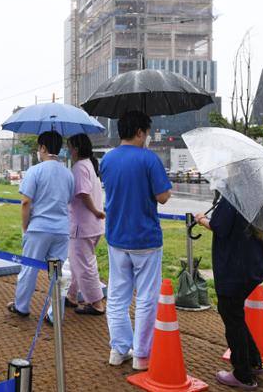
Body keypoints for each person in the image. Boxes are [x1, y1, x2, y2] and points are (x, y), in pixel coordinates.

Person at [100, 111, 172, 371]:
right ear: (140, 132)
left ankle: (118, 350)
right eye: (147, 132)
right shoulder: (149, 159)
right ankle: (142, 355)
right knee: (146, 298)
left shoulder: (107, 160)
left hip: (117, 237)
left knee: (117, 296)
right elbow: (163, 196)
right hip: (146, 239)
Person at [195, 197, 263, 390]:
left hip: (232, 270)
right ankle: (254, 362)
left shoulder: (232, 198)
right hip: (253, 268)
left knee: (231, 315)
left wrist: (201, 219)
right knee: (235, 314)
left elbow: (219, 227)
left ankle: (243, 375)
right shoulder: (259, 201)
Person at [7, 131, 74, 316]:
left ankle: (22, 307)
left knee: (29, 269)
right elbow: (68, 199)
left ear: (43, 148)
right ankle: (55, 314)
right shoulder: (68, 174)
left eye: (39, 148)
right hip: (61, 231)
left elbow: (26, 202)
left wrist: (25, 226)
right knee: (56, 274)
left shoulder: (35, 171)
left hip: (39, 229)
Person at [64, 133, 106, 315]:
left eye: (70, 146)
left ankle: (96, 303)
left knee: (84, 265)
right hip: (93, 226)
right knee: (78, 262)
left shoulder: (79, 167)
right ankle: (72, 295)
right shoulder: (89, 164)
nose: (68, 150)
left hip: (83, 225)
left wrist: (96, 211)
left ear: (76, 148)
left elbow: (82, 193)